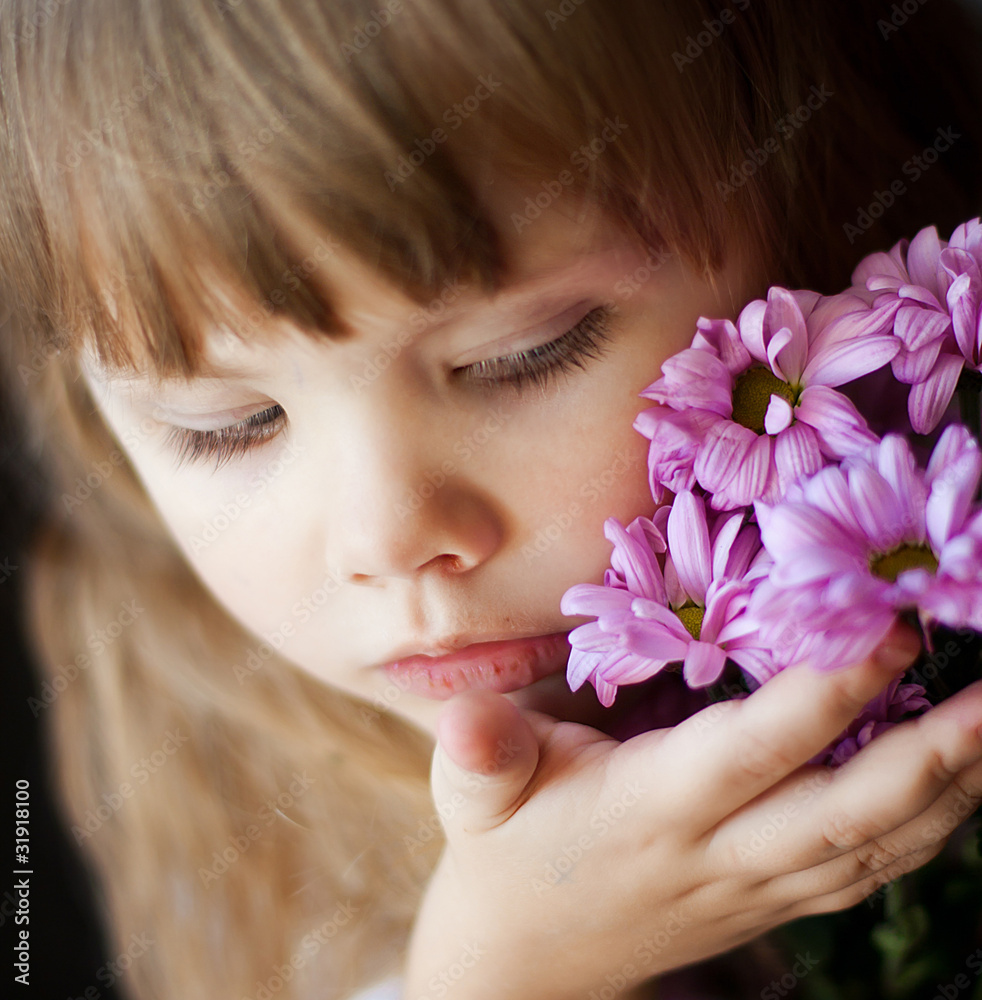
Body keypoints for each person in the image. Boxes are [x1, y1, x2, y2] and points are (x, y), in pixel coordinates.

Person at [2, 1, 982, 998]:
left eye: (525, 354)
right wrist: (508, 966)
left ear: (809, 181)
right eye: (227, 425)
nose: (389, 538)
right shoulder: (211, 775)